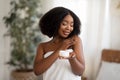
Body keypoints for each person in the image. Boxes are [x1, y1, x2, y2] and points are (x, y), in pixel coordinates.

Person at [33, 7, 85, 80]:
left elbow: (80, 72)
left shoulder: (74, 40)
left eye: (71, 25)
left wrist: (72, 59)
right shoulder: (43, 46)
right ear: (54, 23)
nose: (68, 28)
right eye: (64, 24)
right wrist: (60, 49)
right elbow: (37, 71)